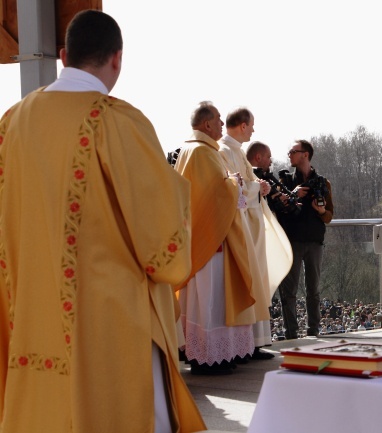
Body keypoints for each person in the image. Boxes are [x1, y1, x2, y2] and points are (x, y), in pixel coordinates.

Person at [0, 10, 205, 433]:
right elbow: (163, 248)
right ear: (117, 59)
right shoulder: (116, 120)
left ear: (62, 56)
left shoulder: (11, 124)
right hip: (109, 325)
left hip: (31, 320)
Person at [174, 101, 256, 375]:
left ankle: (209, 353)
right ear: (206, 124)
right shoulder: (201, 152)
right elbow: (217, 193)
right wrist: (235, 182)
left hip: (201, 235)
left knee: (203, 297)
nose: (222, 124)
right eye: (219, 119)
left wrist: (231, 181)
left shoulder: (193, 149)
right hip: (211, 240)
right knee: (210, 297)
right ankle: (209, 356)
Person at [219, 110, 291, 360]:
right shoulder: (224, 151)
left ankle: (256, 341)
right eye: (251, 126)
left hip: (252, 224)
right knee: (248, 282)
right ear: (241, 126)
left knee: (257, 281)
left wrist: (260, 187)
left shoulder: (237, 150)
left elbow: (246, 184)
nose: (253, 130)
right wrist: (255, 187)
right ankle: (245, 345)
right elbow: (229, 187)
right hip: (241, 227)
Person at [276, 140, 334, 339]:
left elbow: (329, 216)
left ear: (305, 155)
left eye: (293, 151)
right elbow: (279, 210)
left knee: (313, 290)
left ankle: (313, 331)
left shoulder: (322, 183)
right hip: (292, 241)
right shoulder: (285, 182)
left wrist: (321, 210)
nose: (289, 154)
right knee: (288, 291)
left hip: (314, 242)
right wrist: (293, 195)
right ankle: (291, 332)